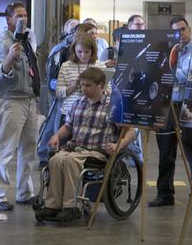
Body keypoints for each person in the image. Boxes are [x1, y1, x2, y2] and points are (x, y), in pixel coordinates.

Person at [39, 68, 134, 224]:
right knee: (55, 160)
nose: (83, 89)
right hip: (76, 148)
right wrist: (56, 135)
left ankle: (72, 206)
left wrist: (119, 145)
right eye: (82, 85)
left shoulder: (112, 105)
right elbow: (68, 126)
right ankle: (53, 205)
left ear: (101, 86)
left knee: (70, 161)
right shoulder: (78, 102)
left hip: (98, 151)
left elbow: (130, 131)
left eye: (88, 86)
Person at [0, 1, 41, 216]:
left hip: (29, 98)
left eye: (25, 15)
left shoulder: (27, 39)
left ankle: (24, 192)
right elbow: (0, 71)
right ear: (8, 19)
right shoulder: (3, 41)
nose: (23, 19)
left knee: (30, 146)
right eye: (18, 15)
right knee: (6, 148)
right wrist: (10, 55)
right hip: (11, 100)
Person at [149, 15, 192, 207]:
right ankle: (165, 194)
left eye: (183, 29)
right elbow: (156, 74)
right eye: (176, 31)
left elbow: (186, 77)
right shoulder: (166, 51)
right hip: (168, 105)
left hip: (190, 104)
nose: (181, 34)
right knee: (165, 152)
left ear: (189, 30)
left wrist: (170, 64)